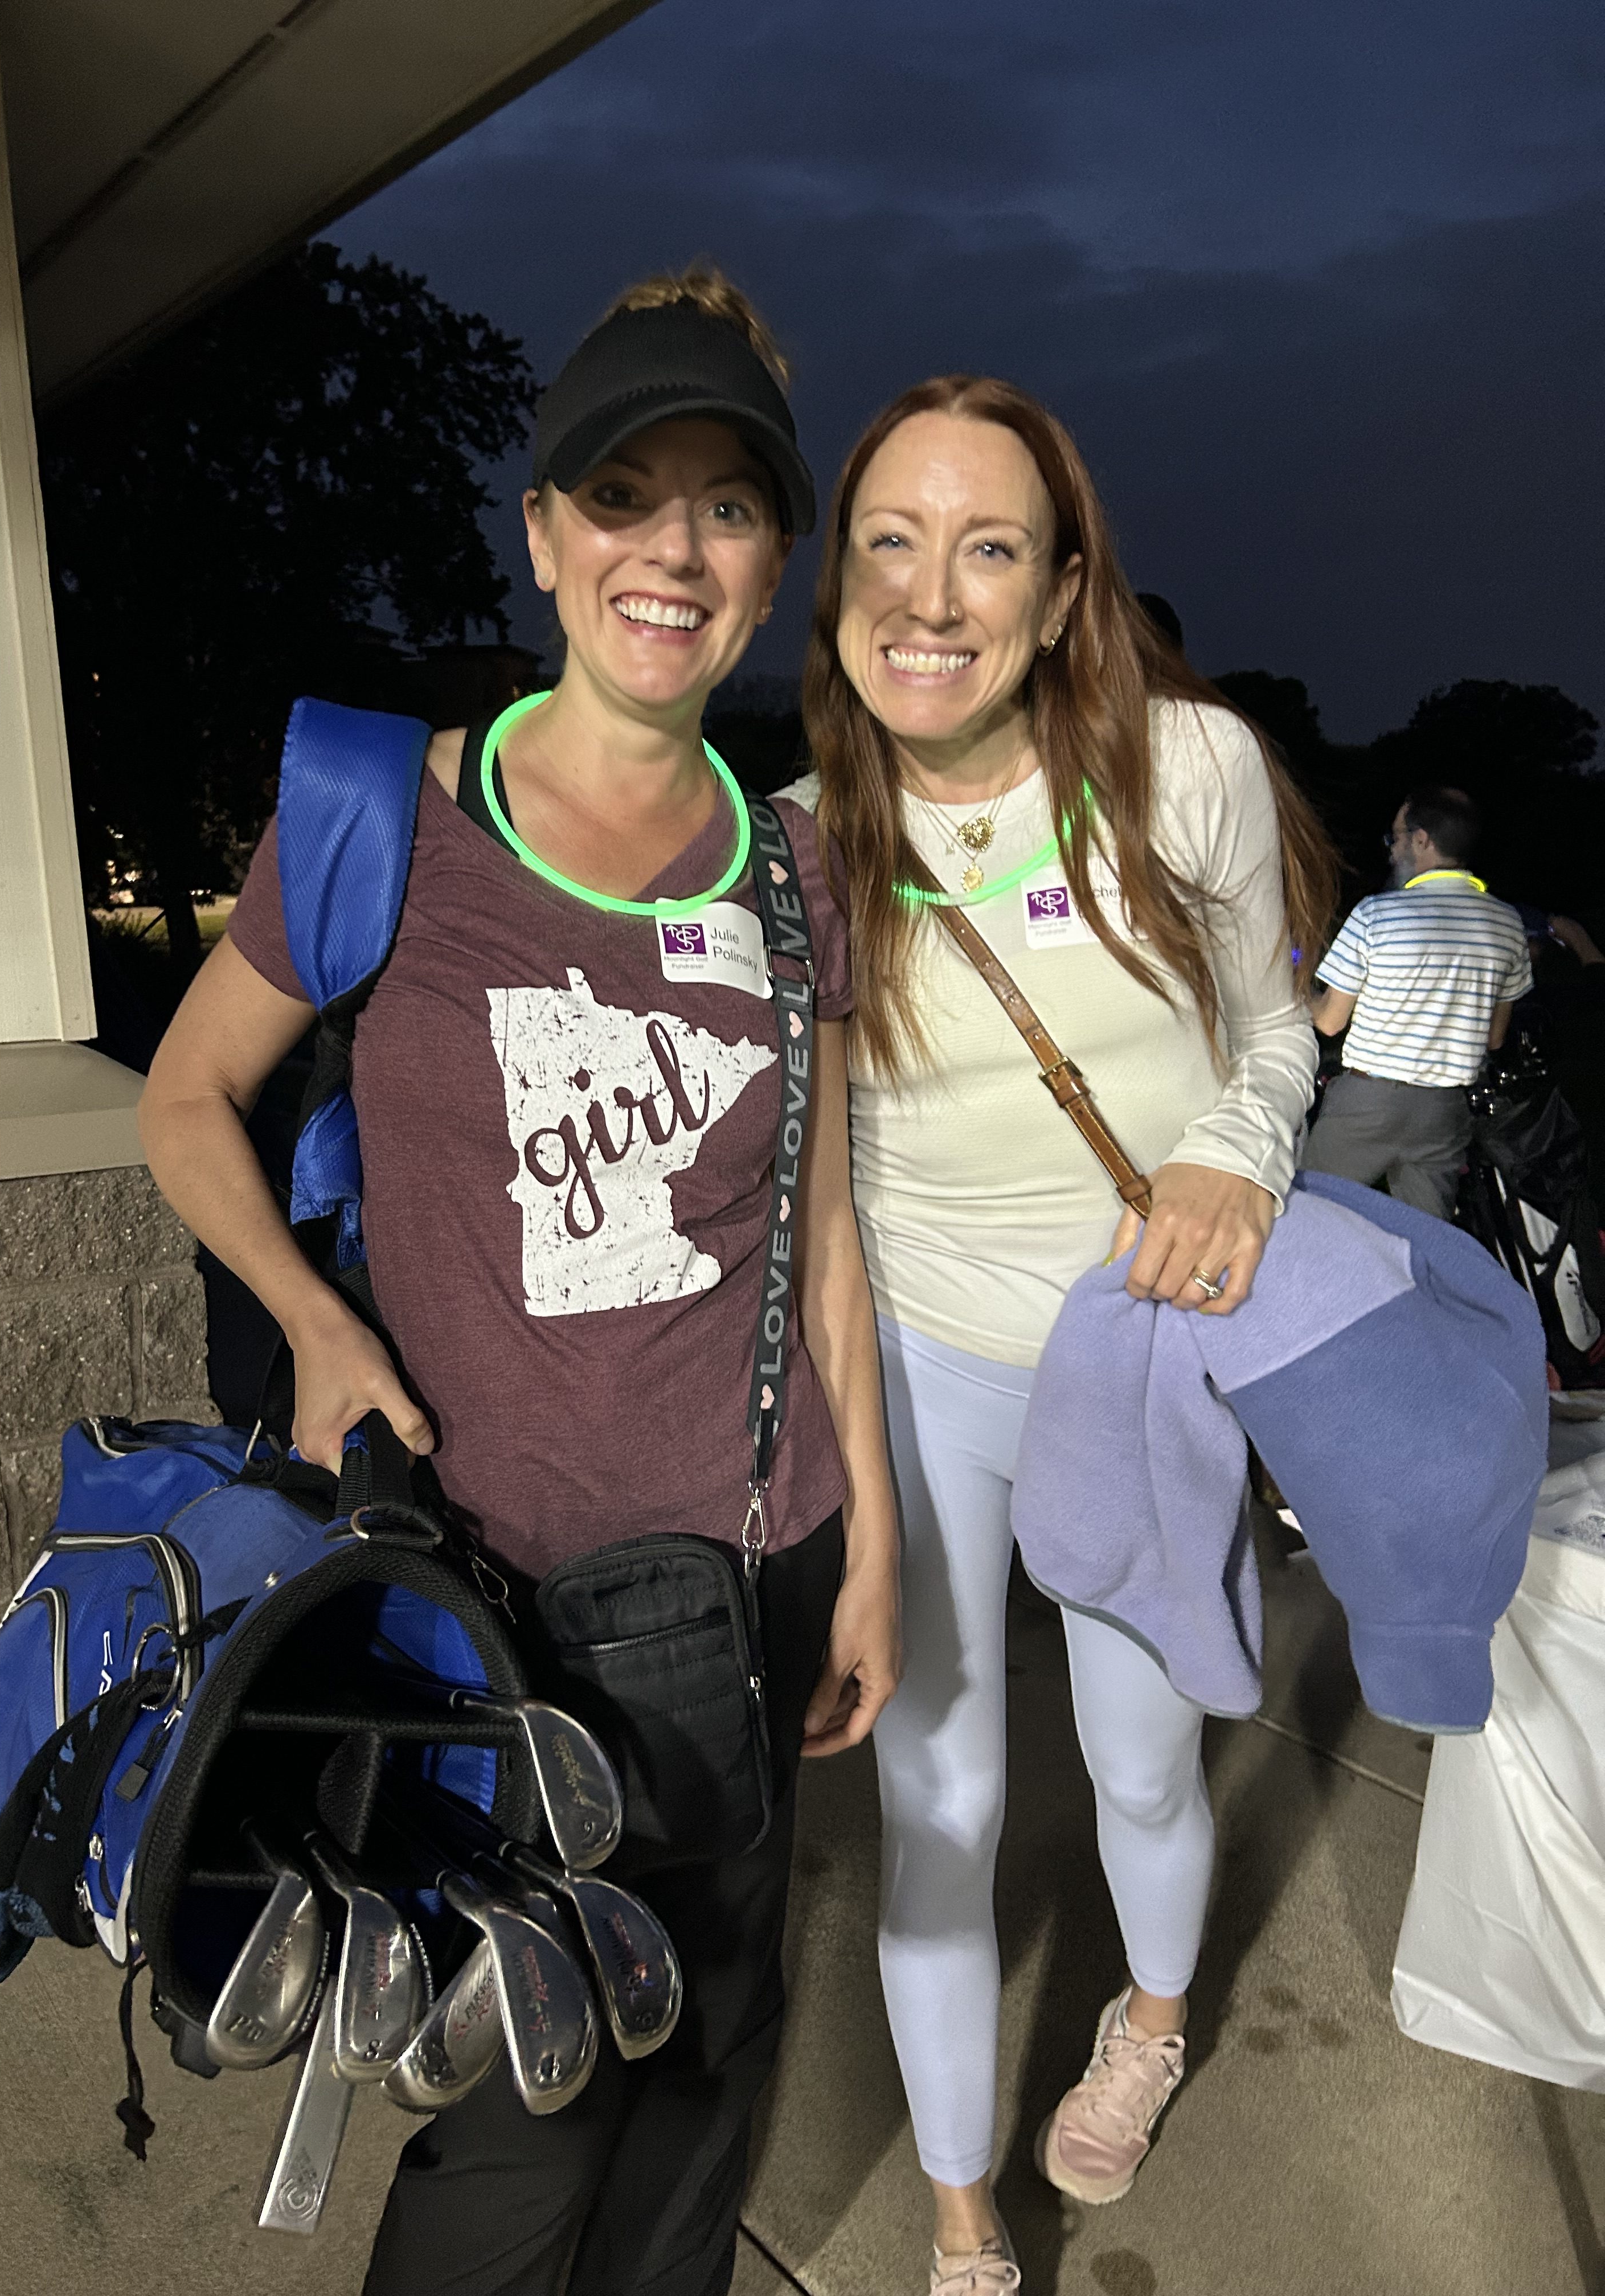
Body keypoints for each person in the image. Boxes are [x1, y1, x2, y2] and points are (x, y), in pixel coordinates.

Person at [137, 269, 901, 2296]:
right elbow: (188, 1100)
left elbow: (813, 1233)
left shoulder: (787, 867)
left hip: (754, 1561)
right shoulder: (395, 818)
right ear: (547, 533)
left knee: (711, 2030)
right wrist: (315, 1325)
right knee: (509, 2080)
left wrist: (878, 1547)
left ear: (768, 564)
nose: (674, 548)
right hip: (486, 1591)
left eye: (725, 507)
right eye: (623, 496)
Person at [785, 376, 1333, 2292]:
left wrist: (1230, 1156)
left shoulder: (1183, 768)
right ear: (838, 579)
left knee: (1142, 1762)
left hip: (1139, 1357)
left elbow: (1273, 1025)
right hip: (922, 1377)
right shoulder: (791, 840)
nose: (933, 594)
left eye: (989, 546)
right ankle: (958, 2222)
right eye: (892, 542)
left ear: (1060, 584)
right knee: (932, 1800)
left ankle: (1155, 2022)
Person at [1303, 787, 1533, 1220]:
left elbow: (1331, 1023)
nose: (1392, 851)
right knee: (1427, 1235)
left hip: (1366, 1104)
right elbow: (1494, 1038)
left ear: (1423, 840)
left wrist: (1298, 986)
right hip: (1444, 1113)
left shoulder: (1376, 914)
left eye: (1397, 838)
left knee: (1314, 1215)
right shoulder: (1508, 923)